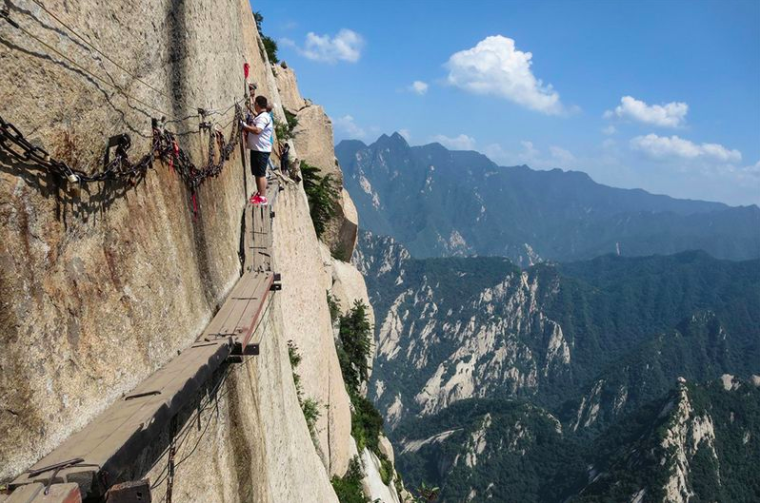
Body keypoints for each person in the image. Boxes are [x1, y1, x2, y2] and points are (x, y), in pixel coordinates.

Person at [241, 95, 273, 205]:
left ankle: (263, 198)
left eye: (255, 104)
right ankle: (260, 194)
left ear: (258, 105)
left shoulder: (263, 117)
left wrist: (244, 126)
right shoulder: (262, 116)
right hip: (258, 149)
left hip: (261, 150)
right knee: (257, 173)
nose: (254, 106)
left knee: (260, 174)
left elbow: (258, 130)